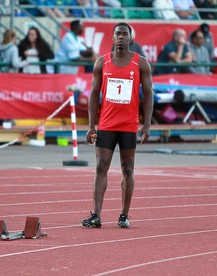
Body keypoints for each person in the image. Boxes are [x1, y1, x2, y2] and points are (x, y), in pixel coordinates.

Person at [81, 22, 153, 229]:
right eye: (118, 34)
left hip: (129, 125)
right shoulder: (102, 63)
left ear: (130, 38)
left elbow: (148, 95)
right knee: (100, 167)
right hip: (106, 124)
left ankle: (124, 215)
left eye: (125, 34)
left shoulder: (141, 63)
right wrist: (91, 125)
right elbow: (94, 94)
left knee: (128, 169)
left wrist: (147, 125)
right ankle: (96, 215)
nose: (121, 37)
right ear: (112, 38)